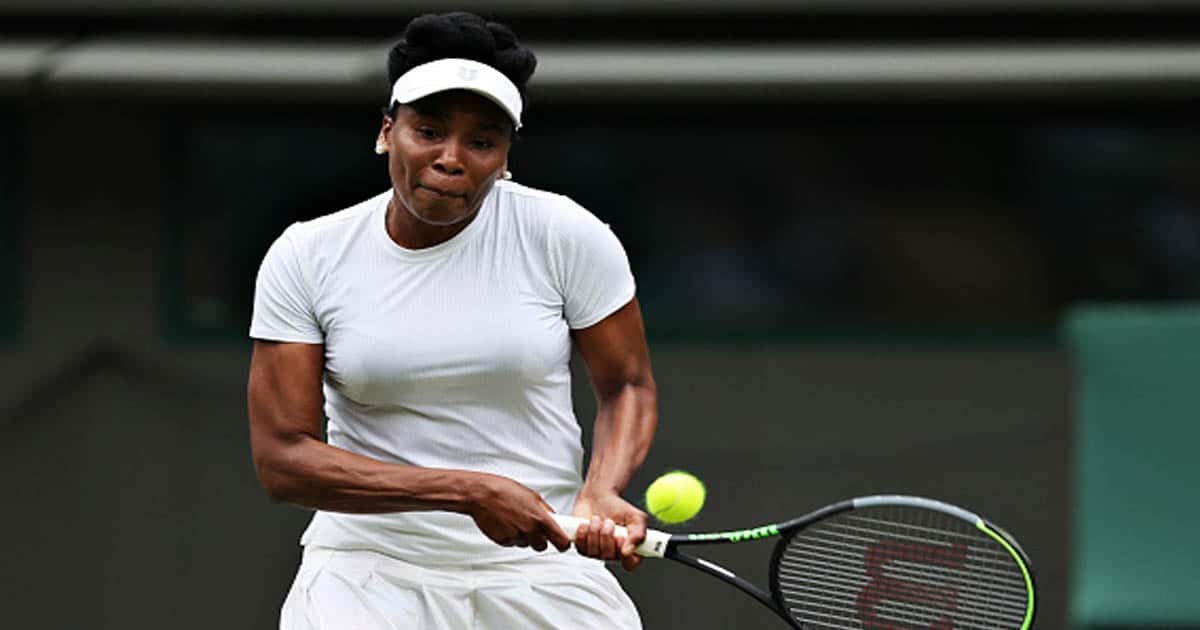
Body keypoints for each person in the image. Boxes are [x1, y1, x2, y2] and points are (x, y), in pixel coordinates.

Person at [246, 11, 658, 629]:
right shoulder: (307, 255)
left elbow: (626, 384)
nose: (451, 158)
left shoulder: (566, 234)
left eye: (482, 141)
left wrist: (600, 489)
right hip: (367, 576)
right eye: (429, 130)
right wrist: (467, 490)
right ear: (388, 132)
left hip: (543, 565)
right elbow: (284, 459)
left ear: (505, 155)